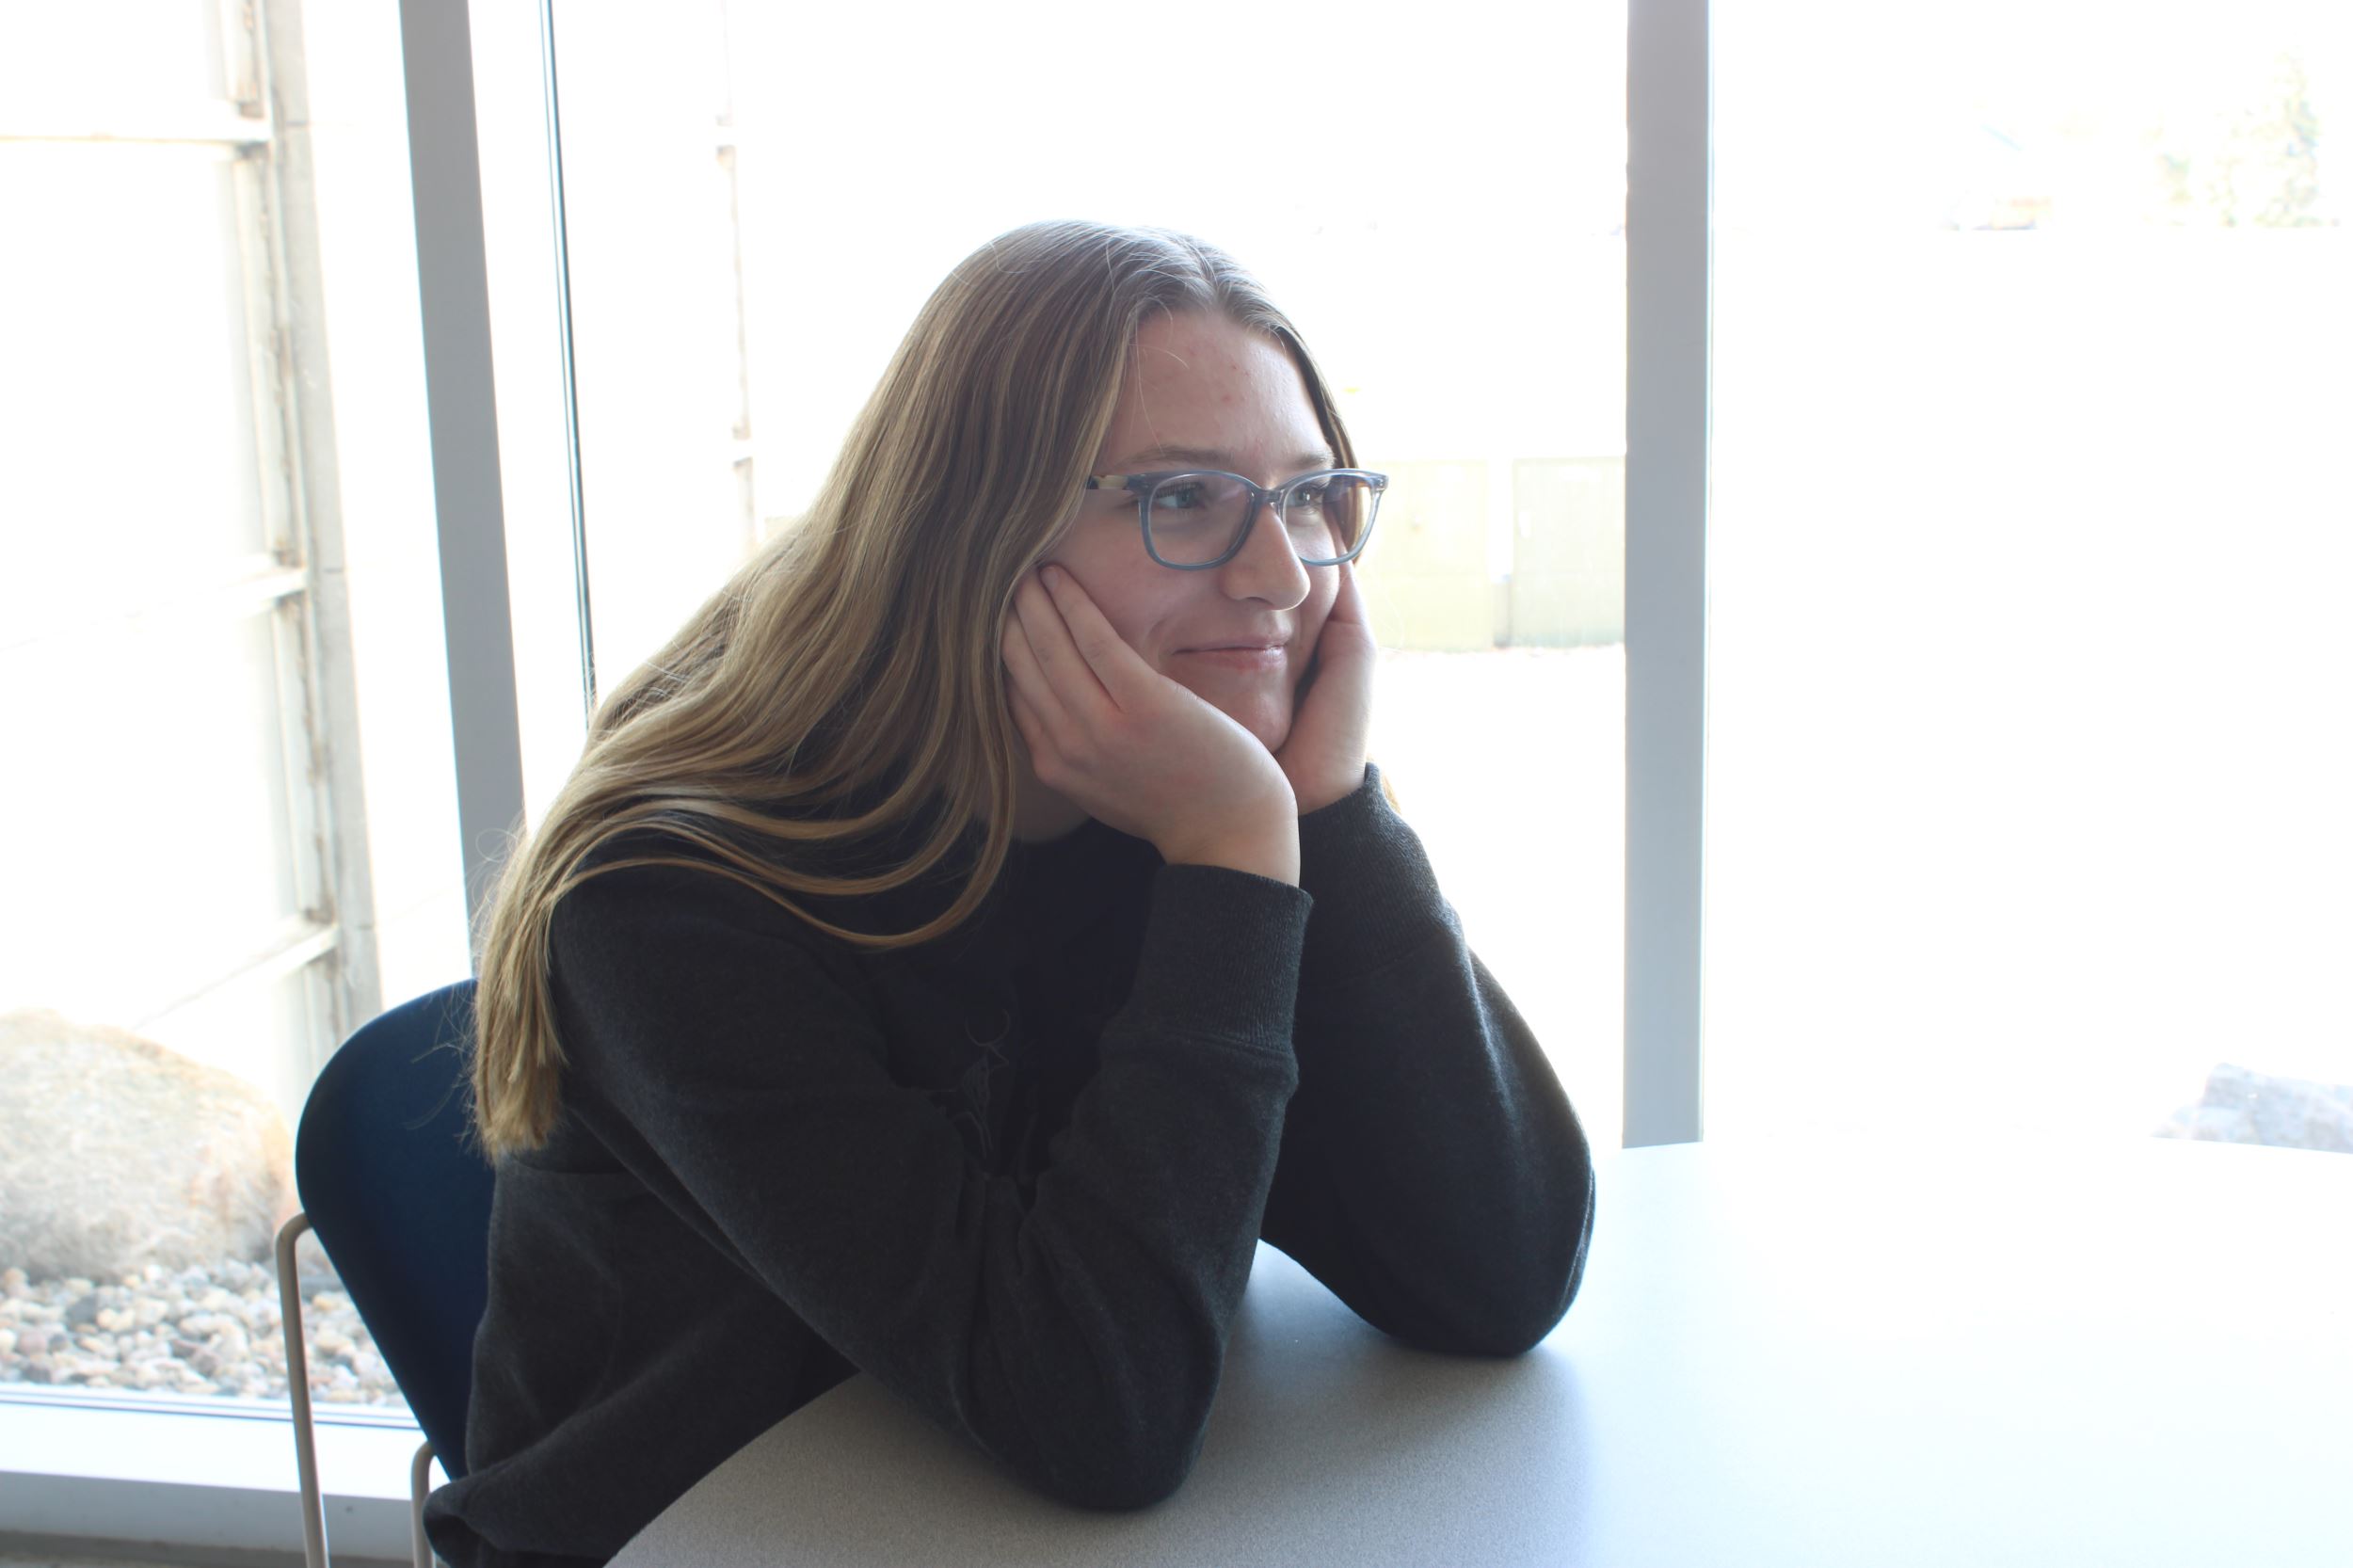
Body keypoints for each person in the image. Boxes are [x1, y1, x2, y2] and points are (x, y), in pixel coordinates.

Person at [424, 219, 1595, 1567]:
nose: (1282, 575)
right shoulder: (674, 901)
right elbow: (1104, 1416)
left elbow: (1500, 1269)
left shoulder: (1173, 795)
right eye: (1184, 497)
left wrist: (1330, 815)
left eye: (1308, 495)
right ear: (972, 532)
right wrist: (1230, 855)